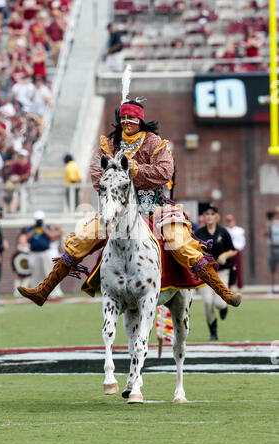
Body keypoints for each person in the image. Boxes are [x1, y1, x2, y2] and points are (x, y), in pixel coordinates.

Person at [17, 96, 242, 309]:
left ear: (140, 120)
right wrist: (115, 175)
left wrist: (136, 170)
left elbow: (165, 171)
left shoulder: (155, 143)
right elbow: (96, 172)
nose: (127, 123)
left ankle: (222, 291)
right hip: (119, 207)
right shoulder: (111, 144)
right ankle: (43, 290)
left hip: (156, 206)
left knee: (181, 244)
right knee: (82, 239)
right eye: (123, 119)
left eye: (131, 119)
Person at [195, 204, 238, 341]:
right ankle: (213, 332)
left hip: (222, 272)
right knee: (207, 302)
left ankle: (224, 307)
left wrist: (225, 255)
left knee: (219, 303)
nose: (209, 216)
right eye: (207, 214)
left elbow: (233, 250)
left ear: (216, 216)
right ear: (203, 217)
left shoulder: (223, 232)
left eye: (212, 214)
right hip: (205, 273)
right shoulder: (199, 233)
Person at [25, 210, 59, 292]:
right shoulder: (31, 228)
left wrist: (43, 229)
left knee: (48, 272)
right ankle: (35, 291)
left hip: (45, 252)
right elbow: (27, 238)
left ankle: (50, 291)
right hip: (34, 253)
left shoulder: (46, 227)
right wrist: (35, 229)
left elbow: (52, 237)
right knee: (35, 273)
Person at [225, 214, 246, 289]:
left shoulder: (239, 230)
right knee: (229, 268)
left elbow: (242, 241)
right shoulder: (225, 230)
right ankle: (229, 285)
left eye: (231, 221)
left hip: (237, 250)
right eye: (228, 221)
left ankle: (240, 285)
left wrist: (238, 248)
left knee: (238, 268)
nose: (230, 223)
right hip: (228, 252)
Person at [266, 206, 279, 293]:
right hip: (272, 247)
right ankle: (273, 287)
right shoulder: (270, 223)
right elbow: (267, 234)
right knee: (272, 269)